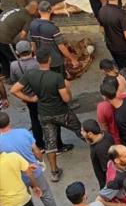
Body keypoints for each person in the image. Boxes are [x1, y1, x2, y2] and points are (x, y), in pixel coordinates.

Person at [9, 48, 82, 182]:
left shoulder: (30, 75)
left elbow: (14, 89)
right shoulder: (56, 77)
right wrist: (68, 89)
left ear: (37, 60)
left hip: (44, 114)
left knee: (50, 143)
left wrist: (30, 99)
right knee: (80, 130)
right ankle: (101, 148)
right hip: (61, 112)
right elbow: (66, 99)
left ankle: (54, 171)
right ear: (49, 60)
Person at [0, 111, 65, 206]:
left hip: (17, 178)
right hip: (34, 171)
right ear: (9, 121)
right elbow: (36, 151)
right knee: (46, 196)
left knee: (28, 205)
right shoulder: (23, 132)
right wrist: (39, 162)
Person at [97, 0, 126, 71]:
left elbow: (102, 29)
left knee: (119, 63)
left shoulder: (101, 10)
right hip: (122, 48)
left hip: (111, 45)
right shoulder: (121, 14)